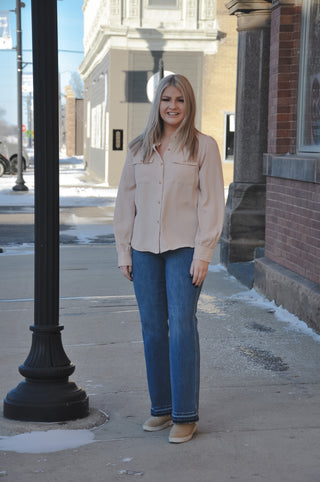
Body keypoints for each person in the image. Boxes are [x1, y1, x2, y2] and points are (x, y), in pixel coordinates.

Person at [113, 74, 225, 443]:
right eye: (166, 100)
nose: (173, 106)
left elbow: (211, 203)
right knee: (151, 331)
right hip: (144, 250)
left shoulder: (203, 147)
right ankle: (161, 409)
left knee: (181, 326)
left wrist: (204, 253)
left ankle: (185, 415)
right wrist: (124, 250)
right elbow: (125, 204)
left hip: (185, 250)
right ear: (157, 105)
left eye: (179, 100)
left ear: (188, 104)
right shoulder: (139, 149)